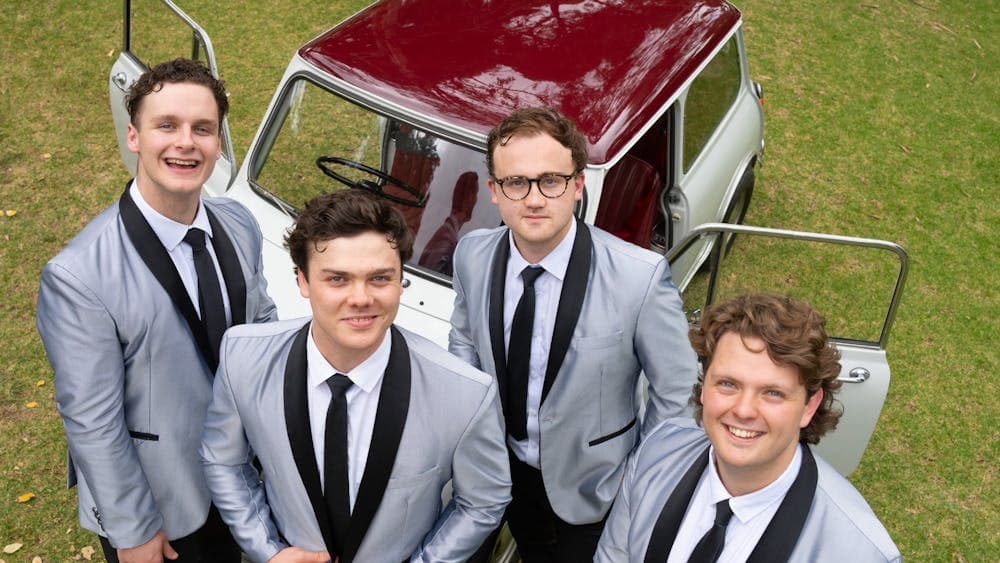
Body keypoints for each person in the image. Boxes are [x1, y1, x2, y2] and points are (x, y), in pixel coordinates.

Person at [36, 58, 277, 562]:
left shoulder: (239, 224)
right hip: (163, 511)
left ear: (217, 143)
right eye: (166, 125)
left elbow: (261, 328)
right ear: (134, 136)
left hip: (245, 485)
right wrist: (133, 530)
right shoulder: (78, 276)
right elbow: (92, 421)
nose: (186, 142)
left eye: (203, 129)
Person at [200, 189, 512, 563]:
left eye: (380, 278)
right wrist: (268, 550)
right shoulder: (242, 357)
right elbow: (225, 461)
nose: (361, 298)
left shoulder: (465, 393)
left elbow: (484, 499)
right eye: (337, 279)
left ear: (400, 281)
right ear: (302, 280)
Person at [448, 106, 698, 561]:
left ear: (577, 185)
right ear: (494, 192)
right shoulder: (472, 254)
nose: (535, 199)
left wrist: (638, 479)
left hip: (592, 492)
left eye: (551, 180)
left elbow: (677, 391)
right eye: (516, 183)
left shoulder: (638, 278)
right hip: (493, 470)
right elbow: (464, 339)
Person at [595, 294, 901, 562]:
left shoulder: (860, 552)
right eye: (728, 384)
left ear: (809, 405)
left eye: (773, 393)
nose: (743, 410)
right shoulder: (658, 450)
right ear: (703, 386)